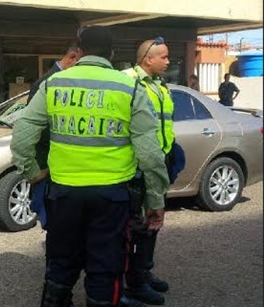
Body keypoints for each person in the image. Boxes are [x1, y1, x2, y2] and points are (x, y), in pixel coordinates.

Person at [11, 25, 169, 307]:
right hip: (112, 196)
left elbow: (22, 133)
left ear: (80, 51)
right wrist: (155, 200)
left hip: (63, 193)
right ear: (110, 53)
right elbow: (150, 152)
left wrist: (31, 172)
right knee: (106, 265)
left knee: (60, 260)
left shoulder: (55, 83)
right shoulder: (129, 87)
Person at [123, 37, 177, 306]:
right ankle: (135, 282)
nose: (168, 61)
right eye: (164, 57)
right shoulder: (129, 81)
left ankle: (144, 270)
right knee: (139, 225)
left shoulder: (158, 84)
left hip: (158, 160)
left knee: (152, 222)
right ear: (148, 58)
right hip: (138, 166)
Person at [27, 41, 83, 228]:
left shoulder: (67, 81)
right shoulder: (47, 82)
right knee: (54, 224)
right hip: (48, 168)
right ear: (73, 57)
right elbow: (36, 129)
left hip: (63, 169)